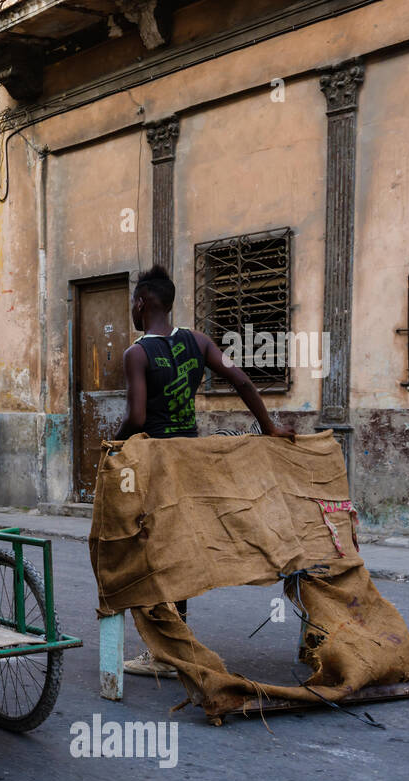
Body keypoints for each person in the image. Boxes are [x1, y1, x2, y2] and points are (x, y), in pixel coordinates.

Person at [114, 263, 296, 676]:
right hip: (190, 459)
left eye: (133, 302)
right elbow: (243, 382)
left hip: (156, 463)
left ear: (142, 303)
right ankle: (173, 644)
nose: (132, 308)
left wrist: (112, 442)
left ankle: (165, 651)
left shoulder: (136, 353)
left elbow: (138, 417)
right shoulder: (199, 342)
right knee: (177, 549)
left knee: (150, 551)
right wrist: (269, 427)